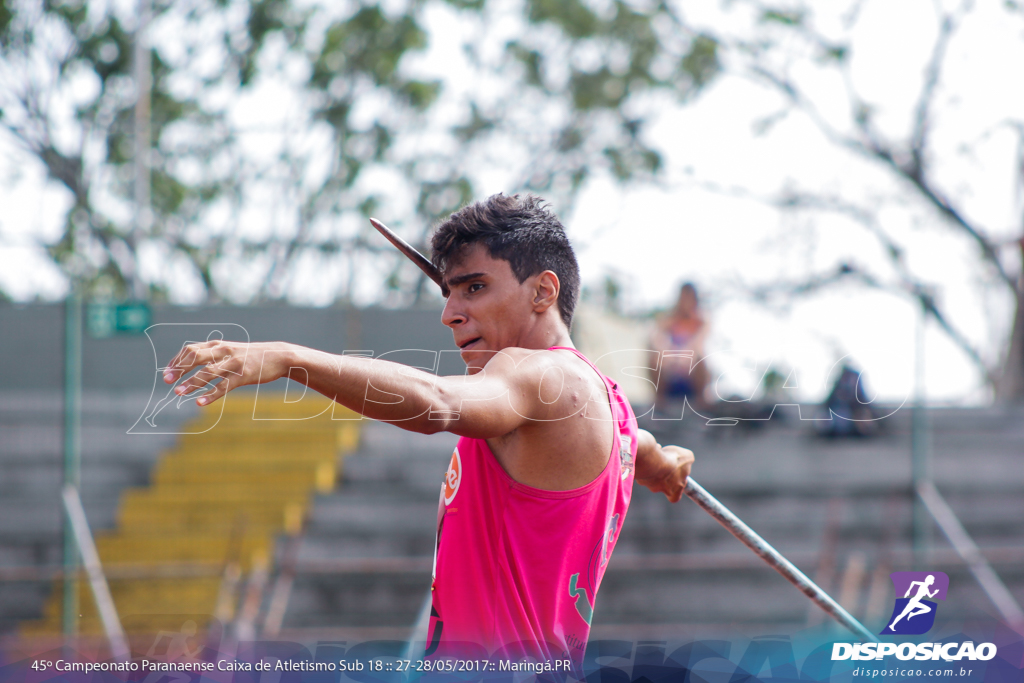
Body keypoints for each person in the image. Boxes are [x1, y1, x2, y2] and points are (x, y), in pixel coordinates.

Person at [161, 193, 694, 668]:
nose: (450, 314)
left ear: (543, 292)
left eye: (475, 288)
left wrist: (287, 358)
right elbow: (642, 449)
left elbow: (437, 403)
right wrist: (664, 466)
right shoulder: (612, 409)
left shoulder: (539, 374)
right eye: (449, 292)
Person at [649, 282, 709, 413]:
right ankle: (660, 400)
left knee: (700, 357)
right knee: (655, 359)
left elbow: (697, 344)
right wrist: (669, 357)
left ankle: (701, 400)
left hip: (690, 369)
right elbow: (657, 339)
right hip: (670, 368)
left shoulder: (700, 321)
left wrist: (685, 358)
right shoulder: (669, 320)